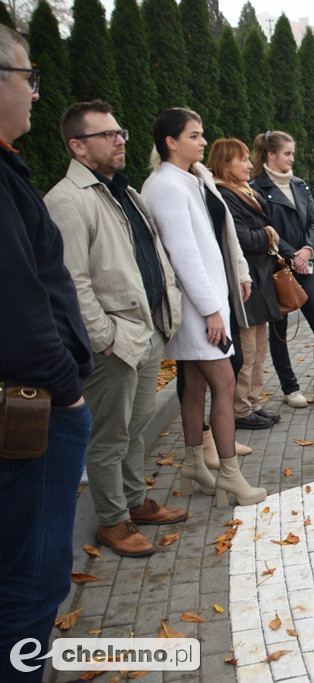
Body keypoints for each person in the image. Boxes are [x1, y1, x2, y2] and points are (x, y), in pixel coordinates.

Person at [44, 101, 185, 557]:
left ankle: (135, 501)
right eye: (106, 134)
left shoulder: (125, 192)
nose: (119, 138)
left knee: (134, 426)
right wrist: (102, 338)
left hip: (146, 332)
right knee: (108, 436)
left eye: (120, 131)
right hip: (113, 343)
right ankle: (113, 519)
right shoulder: (66, 200)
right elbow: (71, 281)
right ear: (78, 147)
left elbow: (153, 255)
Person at [0, 25, 93, 681]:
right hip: (30, 409)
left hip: (35, 397)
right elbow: (21, 305)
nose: (36, 91)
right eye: (28, 76)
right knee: (32, 582)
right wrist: (68, 388)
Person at [142, 108, 266, 508]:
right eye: (194, 135)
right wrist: (212, 311)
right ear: (170, 142)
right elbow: (183, 255)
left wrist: (233, 282)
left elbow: (218, 236)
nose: (202, 141)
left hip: (208, 300)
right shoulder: (164, 186)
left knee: (195, 385)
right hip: (198, 306)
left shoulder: (192, 178)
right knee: (225, 383)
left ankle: (196, 464)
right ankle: (229, 474)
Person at [251, 131, 314, 410]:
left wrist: (308, 250)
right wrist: (293, 254)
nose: (292, 158)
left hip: (306, 268)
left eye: (293, 153)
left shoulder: (301, 185)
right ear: (271, 155)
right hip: (277, 269)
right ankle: (289, 388)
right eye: (287, 153)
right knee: (279, 331)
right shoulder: (257, 190)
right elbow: (266, 230)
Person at [208, 138, 282, 430]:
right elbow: (242, 238)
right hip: (243, 281)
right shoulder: (223, 195)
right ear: (226, 164)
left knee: (260, 346)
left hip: (259, 279)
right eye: (243, 160)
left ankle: (254, 401)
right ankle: (240, 409)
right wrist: (268, 234)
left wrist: (265, 233)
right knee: (247, 350)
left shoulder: (245, 191)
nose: (250, 164)